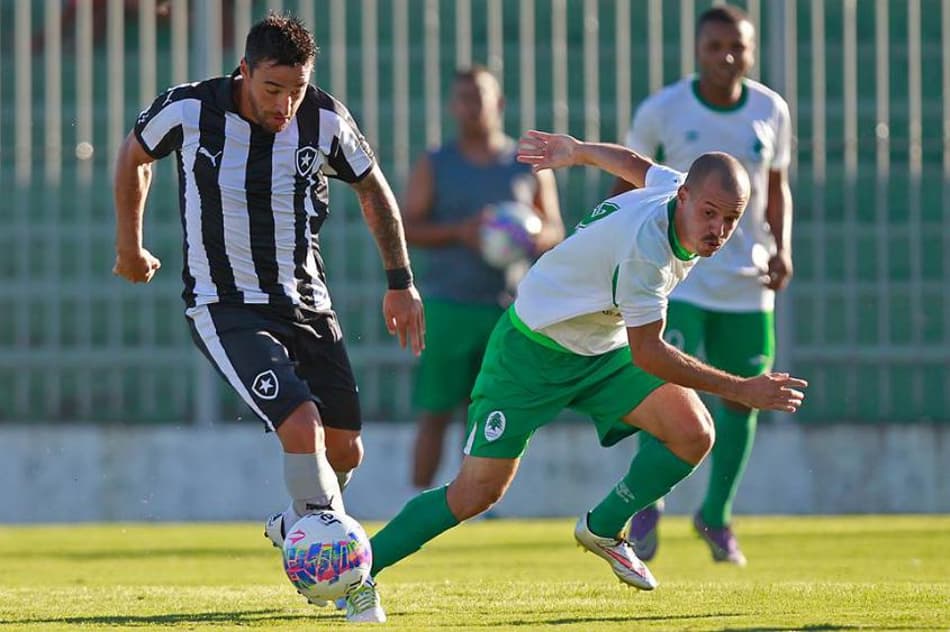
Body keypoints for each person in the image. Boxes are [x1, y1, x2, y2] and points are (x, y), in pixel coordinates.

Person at [357, 130, 807, 610]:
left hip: (601, 347)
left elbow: (634, 163)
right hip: (533, 349)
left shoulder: (677, 188)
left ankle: (604, 527)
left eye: (731, 219)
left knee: (693, 432)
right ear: (684, 198)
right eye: (709, 213)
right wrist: (741, 389)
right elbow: (649, 354)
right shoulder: (647, 253)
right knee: (476, 493)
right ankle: (358, 571)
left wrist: (579, 152)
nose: (717, 228)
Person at [112, 13, 423, 623]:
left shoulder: (324, 119)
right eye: (272, 89)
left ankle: (296, 522)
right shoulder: (190, 109)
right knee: (301, 426)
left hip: (308, 302)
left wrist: (401, 282)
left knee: (346, 449)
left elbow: (373, 187)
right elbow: (134, 155)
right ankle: (345, 578)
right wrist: (130, 245)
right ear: (245, 72)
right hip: (224, 305)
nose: (285, 105)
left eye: (297, 90)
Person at [610, 4, 794, 567]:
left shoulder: (770, 109)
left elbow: (777, 185)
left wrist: (783, 247)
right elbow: (630, 180)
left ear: (752, 49)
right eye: (716, 47)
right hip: (680, 277)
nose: (727, 57)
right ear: (698, 50)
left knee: (747, 396)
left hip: (745, 283)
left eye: (737, 46)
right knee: (663, 385)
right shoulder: (663, 109)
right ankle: (647, 506)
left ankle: (716, 517)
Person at [402, 66, 563, 494]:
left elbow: (555, 232)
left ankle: (471, 503)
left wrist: (524, 234)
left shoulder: (526, 164)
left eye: (479, 97)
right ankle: (415, 502)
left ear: (500, 103)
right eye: (463, 99)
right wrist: (461, 232)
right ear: (453, 106)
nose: (471, 107)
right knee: (434, 411)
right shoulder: (437, 162)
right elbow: (407, 227)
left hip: (505, 308)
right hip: (447, 305)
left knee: (489, 413)